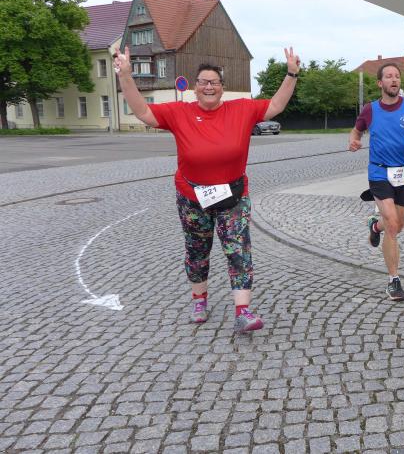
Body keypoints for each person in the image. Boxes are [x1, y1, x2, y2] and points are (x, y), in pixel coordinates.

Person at [113, 45, 301, 333]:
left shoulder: (242, 109)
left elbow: (276, 105)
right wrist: (126, 76)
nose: (209, 86)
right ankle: (199, 301)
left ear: (222, 88)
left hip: (233, 197)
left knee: (238, 250)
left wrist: (291, 74)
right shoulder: (179, 112)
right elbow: (143, 112)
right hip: (192, 197)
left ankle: (243, 311)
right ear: (195, 88)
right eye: (203, 82)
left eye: (214, 82)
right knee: (197, 250)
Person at [349, 62, 404, 301]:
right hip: (379, 172)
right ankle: (393, 281)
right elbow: (356, 131)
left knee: (398, 225)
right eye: (389, 76)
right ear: (380, 83)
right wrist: (354, 141)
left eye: (397, 76)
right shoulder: (370, 110)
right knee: (392, 225)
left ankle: (375, 227)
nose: (394, 80)